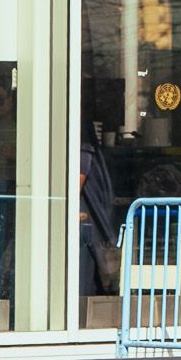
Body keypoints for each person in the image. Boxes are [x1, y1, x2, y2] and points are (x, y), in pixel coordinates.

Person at [78, 123, 119, 299]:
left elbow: (75, 184)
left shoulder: (82, 147)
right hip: (87, 222)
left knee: (84, 281)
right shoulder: (85, 146)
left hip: (86, 225)